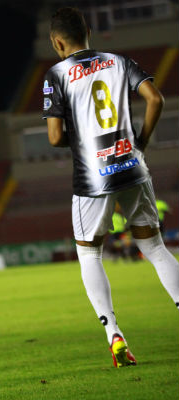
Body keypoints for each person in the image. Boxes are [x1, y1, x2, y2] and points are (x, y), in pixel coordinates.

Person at [43, 7, 179, 367]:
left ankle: (114, 334)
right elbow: (156, 99)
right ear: (88, 30)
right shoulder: (119, 61)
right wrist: (140, 144)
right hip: (132, 165)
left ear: (57, 42)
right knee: (154, 247)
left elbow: (55, 136)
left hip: (92, 176)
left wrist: (85, 138)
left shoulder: (56, 74)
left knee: (90, 253)